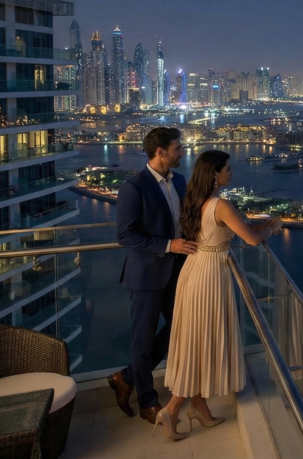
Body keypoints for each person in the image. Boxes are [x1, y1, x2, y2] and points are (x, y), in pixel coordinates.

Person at [153, 150, 282, 440]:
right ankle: (172, 409)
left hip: (194, 269)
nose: (232, 173)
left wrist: (259, 227)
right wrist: (272, 227)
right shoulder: (220, 204)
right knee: (202, 340)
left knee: (195, 338)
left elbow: (239, 230)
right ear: (215, 174)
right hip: (210, 274)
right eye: (228, 168)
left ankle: (199, 406)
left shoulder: (195, 200)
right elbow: (249, 238)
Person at [108, 127, 197, 426]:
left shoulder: (180, 181)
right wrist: (167, 245)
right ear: (160, 152)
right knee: (142, 341)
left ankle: (127, 377)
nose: (182, 151)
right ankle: (147, 402)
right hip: (145, 274)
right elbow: (125, 235)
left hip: (176, 271)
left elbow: (187, 220)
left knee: (182, 328)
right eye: (177, 147)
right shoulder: (134, 187)